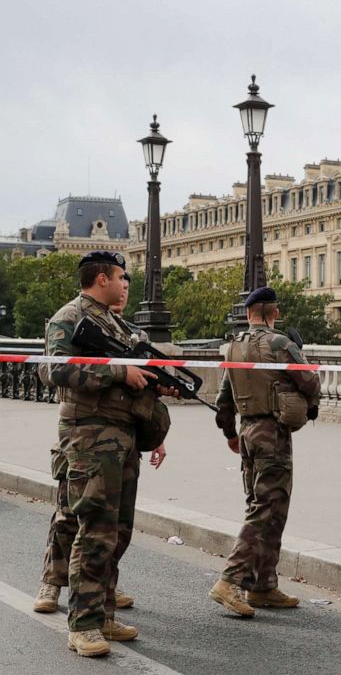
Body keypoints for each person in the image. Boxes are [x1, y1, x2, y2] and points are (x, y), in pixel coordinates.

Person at [38, 251, 174, 657]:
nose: (125, 282)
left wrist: (153, 383)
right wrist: (119, 372)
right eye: (120, 276)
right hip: (90, 437)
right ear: (101, 279)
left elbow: (133, 372)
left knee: (118, 532)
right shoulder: (68, 317)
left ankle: (105, 613)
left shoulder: (114, 322)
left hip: (122, 436)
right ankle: (84, 626)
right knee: (94, 531)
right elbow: (54, 370)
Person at [210, 287, 321, 618]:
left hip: (247, 432)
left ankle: (262, 585)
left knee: (268, 508)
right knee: (266, 509)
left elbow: (223, 399)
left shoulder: (233, 346)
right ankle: (230, 580)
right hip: (273, 433)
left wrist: (231, 433)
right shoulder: (280, 343)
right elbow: (310, 383)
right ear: (274, 313)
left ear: (248, 313)